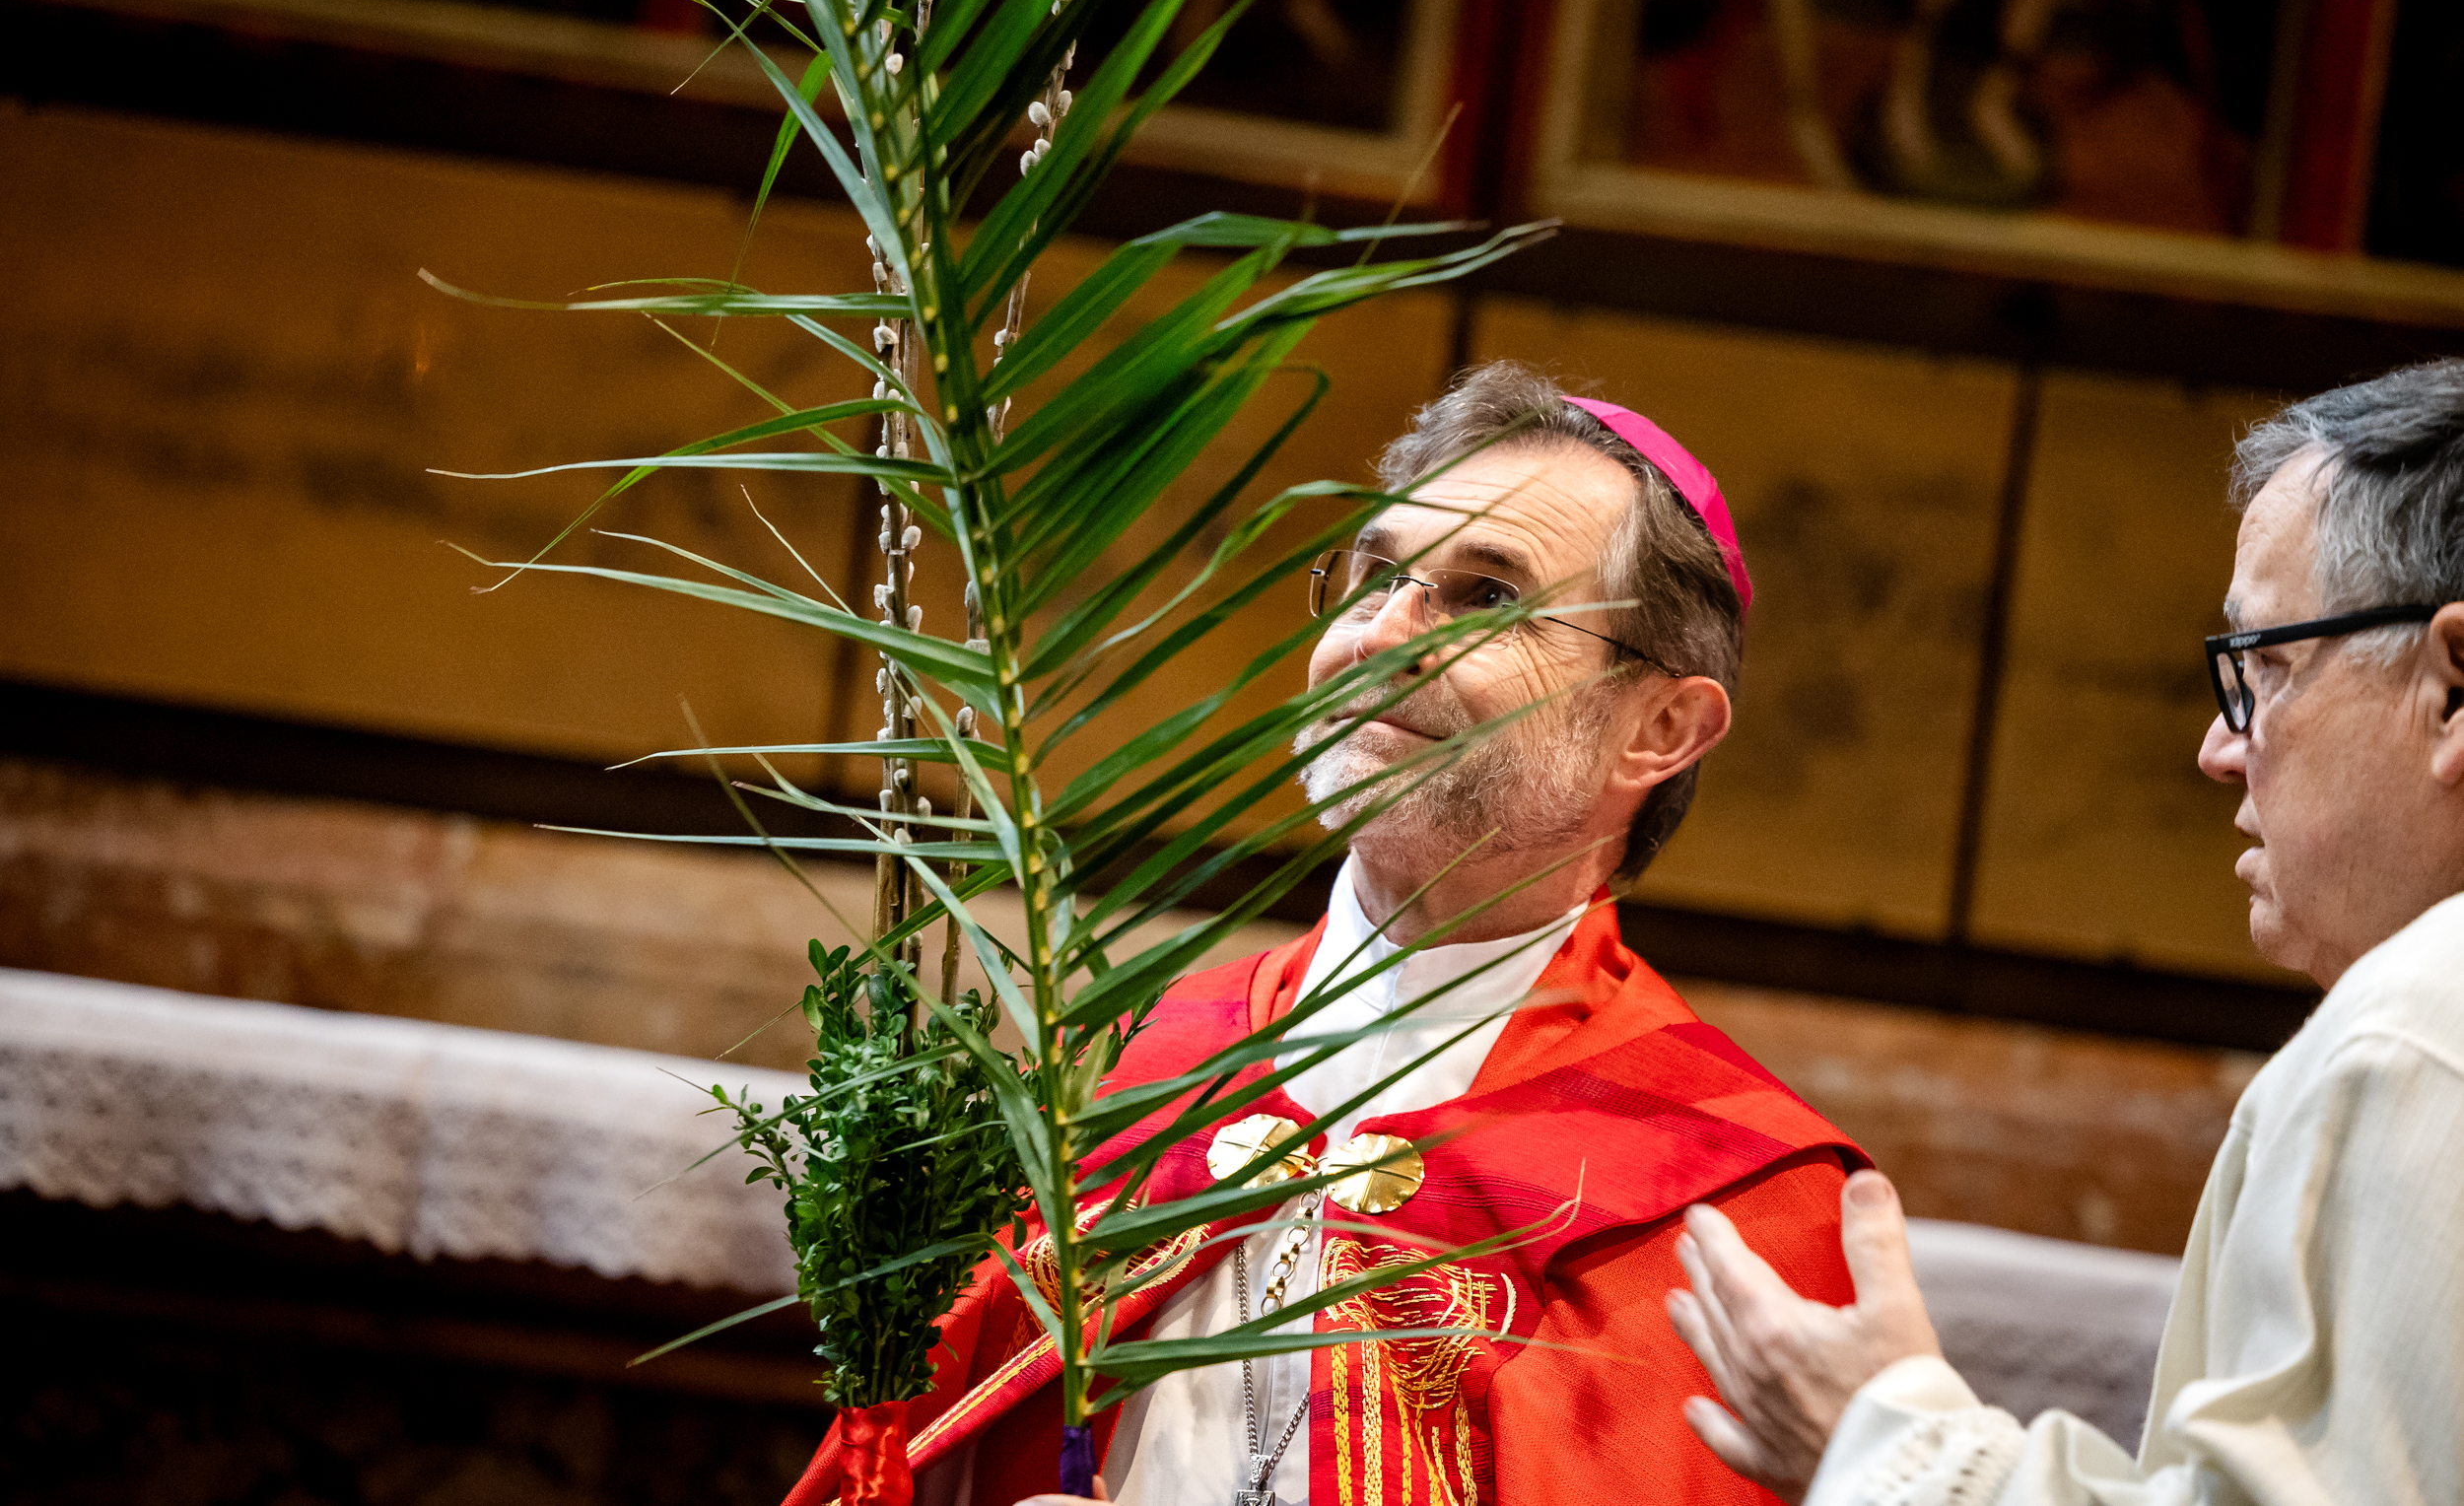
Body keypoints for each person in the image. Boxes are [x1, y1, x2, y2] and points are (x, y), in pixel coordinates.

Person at [780, 361, 1870, 1506]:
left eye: (1485, 594)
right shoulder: (1137, 1058)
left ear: (1658, 726)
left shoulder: (1733, 1200)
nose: (1382, 634)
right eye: (1375, 575)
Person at [1666, 360, 2464, 1504]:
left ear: (2451, 687)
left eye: (2265, 664)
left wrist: (1893, 1444)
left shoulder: (2419, 1030)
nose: (2218, 747)